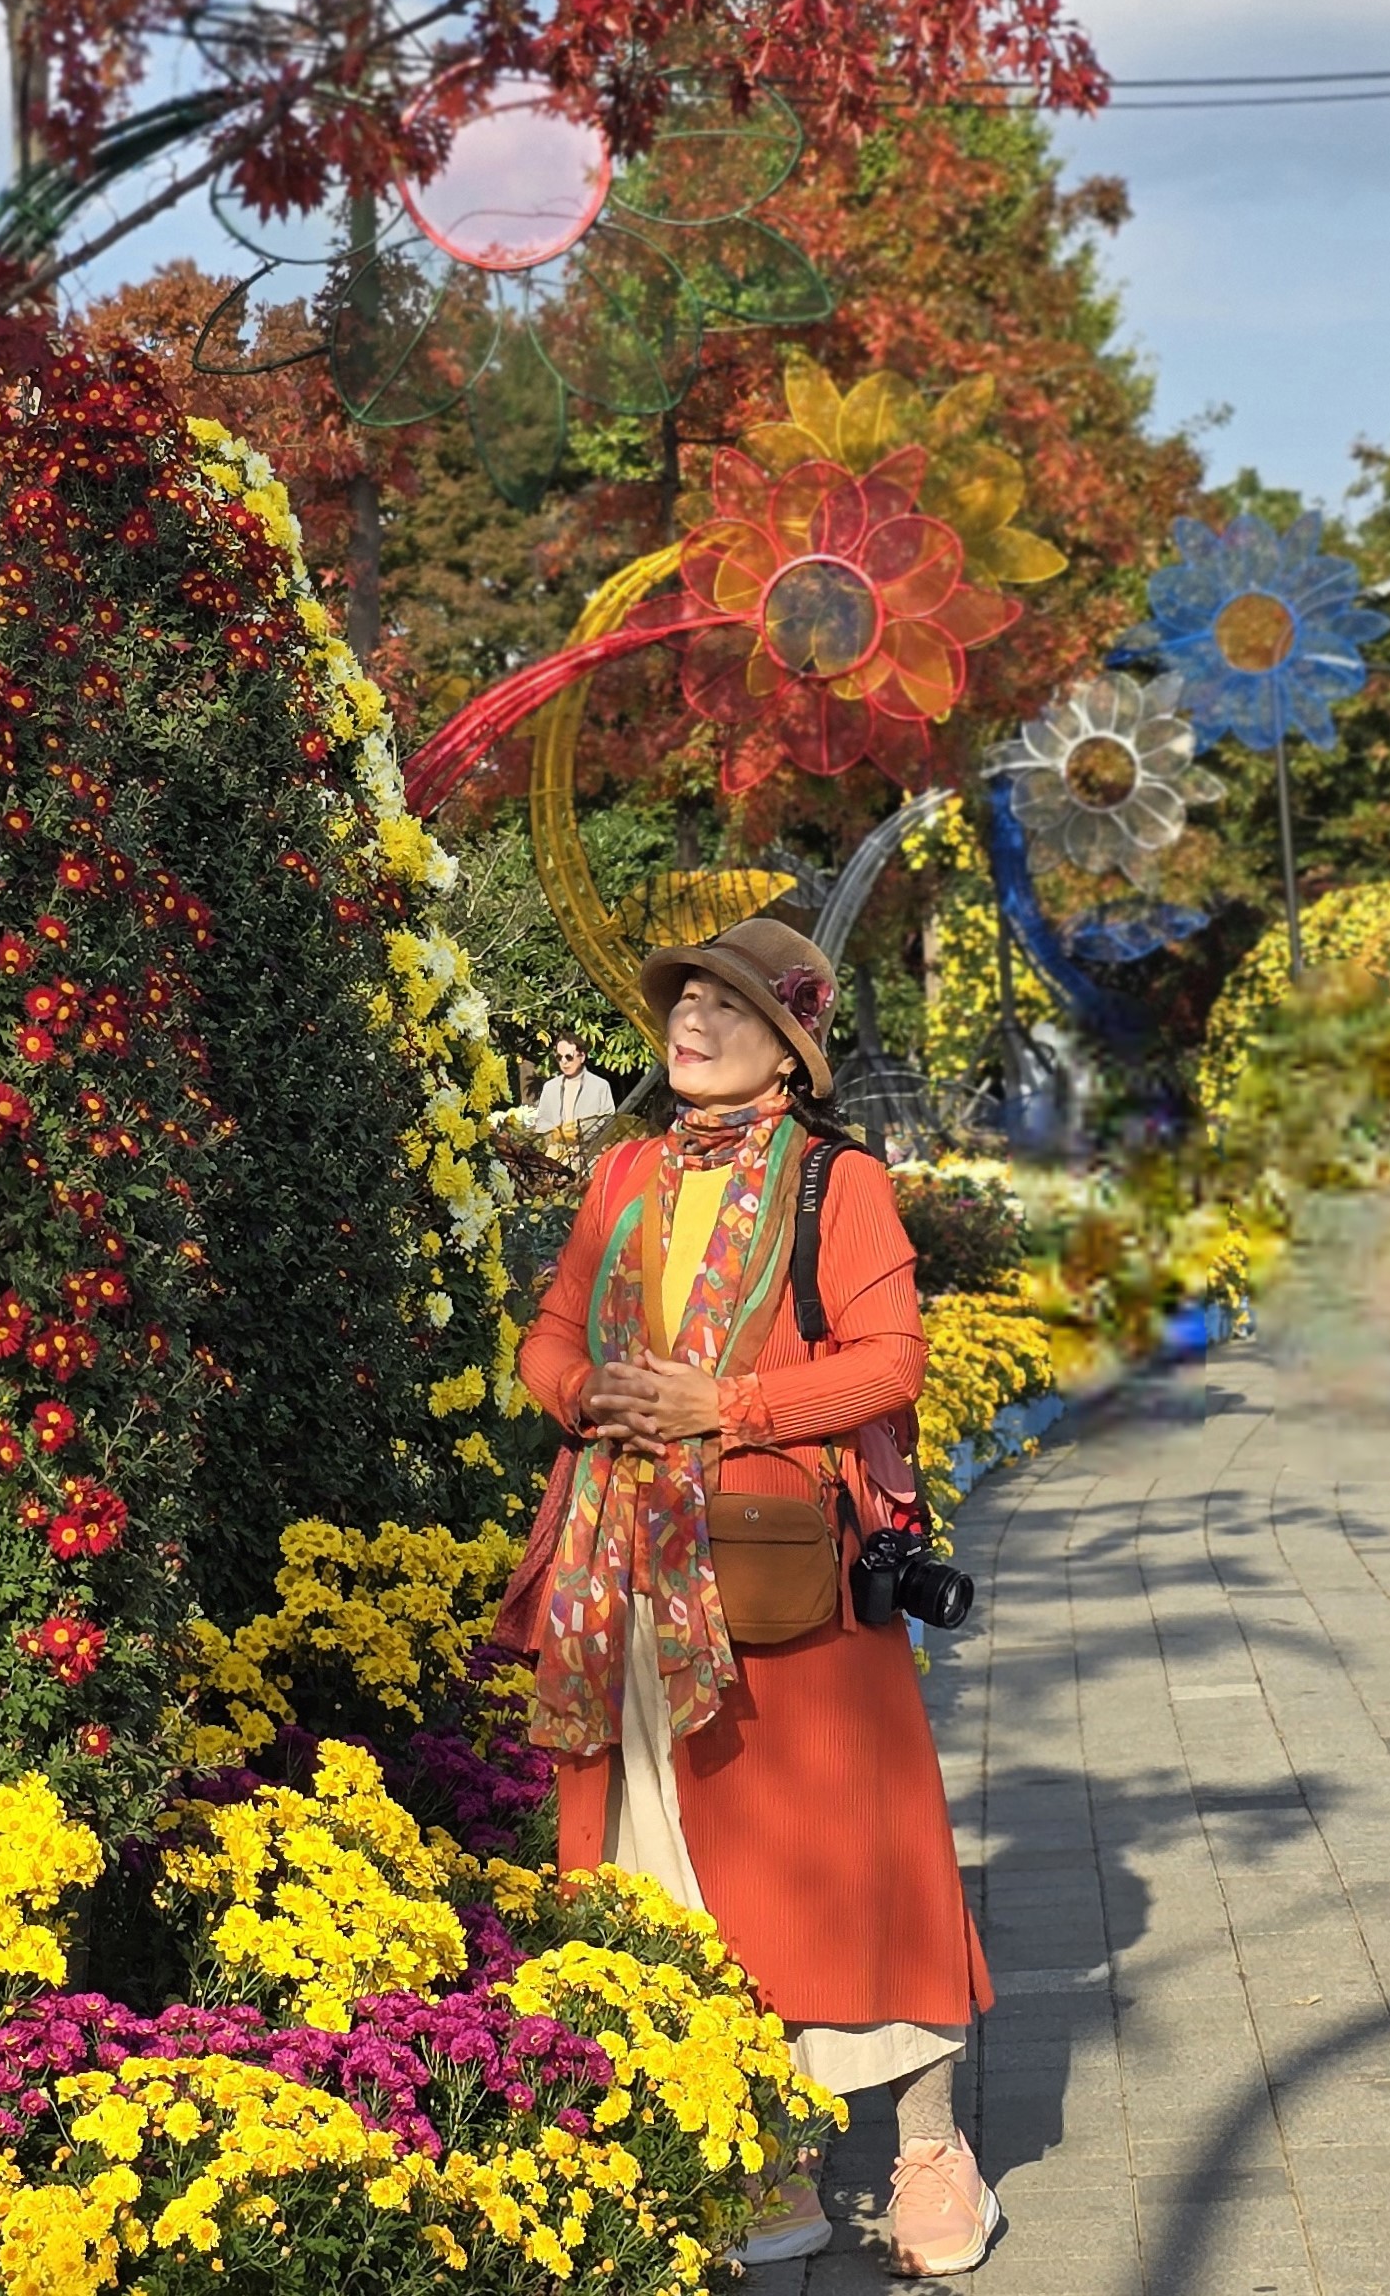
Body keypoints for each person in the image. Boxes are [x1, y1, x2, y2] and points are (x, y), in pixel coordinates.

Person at [506, 917, 998, 2280]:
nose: (690, 1021)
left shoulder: (837, 1181)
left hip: (781, 1568)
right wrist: (582, 1391)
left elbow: (888, 1362)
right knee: (677, 1866)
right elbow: (550, 1332)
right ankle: (767, 2139)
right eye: (683, 1000)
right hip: (624, 1567)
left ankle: (929, 2151)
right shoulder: (623, 1172)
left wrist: (724, 1406)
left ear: (788, 1047)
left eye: (725, 1006)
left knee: (855, 1848)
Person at [525, 1031, 616, 1159]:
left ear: (582, 1056)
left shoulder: (600, 1086)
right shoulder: (550, 1087)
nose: (564, 1062)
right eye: (559, 1057)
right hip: (556, 1159)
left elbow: (609, 1124)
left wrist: (581, 1132)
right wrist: (557, 1133)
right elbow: (541, 1124)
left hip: (591, 1158)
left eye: (568, 1057)